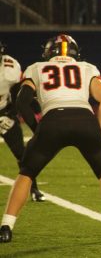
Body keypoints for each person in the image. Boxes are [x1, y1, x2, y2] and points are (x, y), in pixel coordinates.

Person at [0, 35, 101, 243]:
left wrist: (38, 129)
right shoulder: (87, 67)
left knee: (26, 173)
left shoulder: (36, 68)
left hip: (53, 120)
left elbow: (22, 103)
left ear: (48, 53)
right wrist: (97, 130)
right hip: (85, 120)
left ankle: (6, 226)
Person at [0, 41, 44, 202]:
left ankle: (34, 189)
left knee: (22, 153)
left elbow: (21, 93)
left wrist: (11, 113)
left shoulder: (11, 67)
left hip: (4, 112)